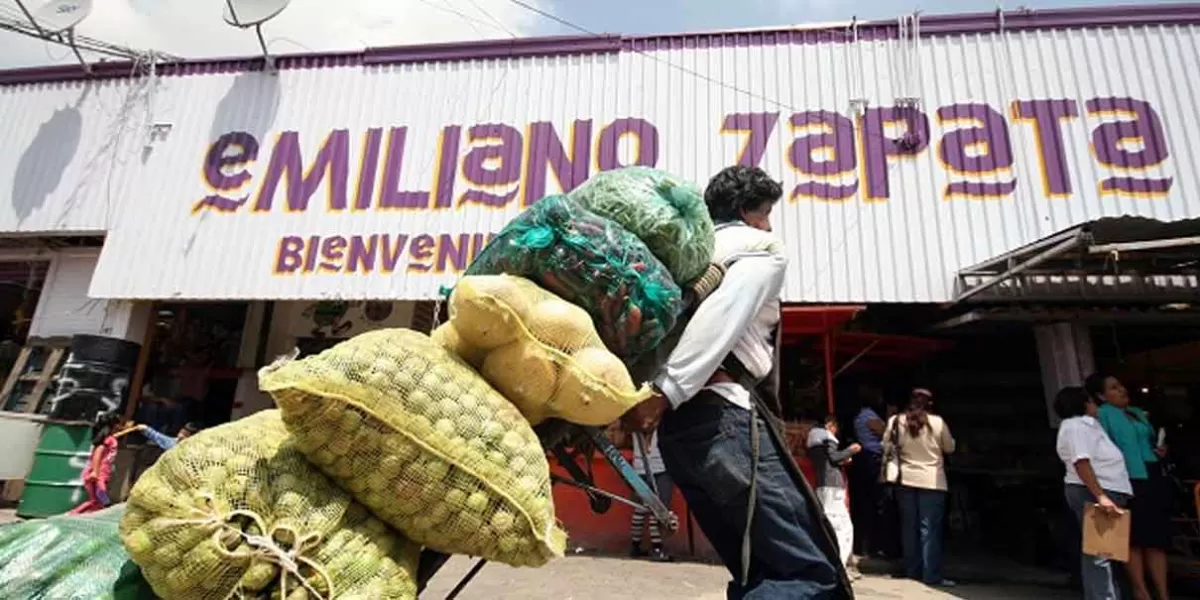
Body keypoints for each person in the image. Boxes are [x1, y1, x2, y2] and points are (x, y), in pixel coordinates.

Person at [624, 165, 849, 599]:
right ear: (747, 211)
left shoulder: (685, 256)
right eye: (765, 212)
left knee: (758, 570)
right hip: (725, 421)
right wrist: (664, 392)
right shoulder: (759, 248)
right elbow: (721, 318)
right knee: (807, 576)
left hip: (681, 438)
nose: (770, 223)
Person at [1088, 374, 1171, 600]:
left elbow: (1148, 441)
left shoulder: (1136, 412)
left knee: (1156, 538)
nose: (1122, 390)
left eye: (1121, 386)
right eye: (1114, 388)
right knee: (1132, 537)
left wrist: (1160, 450)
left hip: (1151, 473)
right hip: (1125, 478)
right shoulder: (1103, 414)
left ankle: (1163, 594)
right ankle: (1141, 591)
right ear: (1101, 396)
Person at [1054, 386, 1132, 600]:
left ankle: (1107, 594)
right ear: (1084, 403)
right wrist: (1101, 496)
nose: (1095, 405)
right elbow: (1081, 461)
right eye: (1092, 401)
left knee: (1102, 550)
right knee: (1099, 552)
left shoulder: (1085, 426)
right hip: (1094, 489)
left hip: (1101, 488)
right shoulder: (1077, 426)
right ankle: (1103, 596)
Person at [883, 388, 956, 587]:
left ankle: (911, 571)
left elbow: (886, 445)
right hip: (933, 480)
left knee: (909, 527)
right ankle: (930, 574)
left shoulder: (896, 421)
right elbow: (949, 447)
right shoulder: (938, 422)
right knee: (929, 529)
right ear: (930, 404)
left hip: (906, 479)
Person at [808, 414, 862, 576]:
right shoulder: (826, 438)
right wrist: (850, 450)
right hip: (832, 486)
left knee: (829, 522)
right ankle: (839, 564)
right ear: (830, 425)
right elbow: (834, 457)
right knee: (841, 526)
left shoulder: (813, 441)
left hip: (822, 484)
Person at [69, 412, 138, 515]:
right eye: (119, 424)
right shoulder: (107, 440)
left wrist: (130, 429)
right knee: (100, 499)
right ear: (114, 425)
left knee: (95, 502)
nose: (121, 426)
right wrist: (95, 472)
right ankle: (72, 515)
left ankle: (75, 515)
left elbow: (117, 435)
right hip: (98, 475)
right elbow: (98, 453)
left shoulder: (109, 438)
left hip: (101, 475)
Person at [850, 386, 888, 558]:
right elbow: (886, 433)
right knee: (874, 502)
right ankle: (873, 545)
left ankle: (865, 545)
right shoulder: (869, 416)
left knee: (865, 502)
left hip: (865, 458)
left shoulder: (860, 416)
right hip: (871, 459)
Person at [629, 430, 675, 562]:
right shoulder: (658, 419)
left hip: (638, 467)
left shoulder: (635, 420)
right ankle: (657, 548)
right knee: (657, 508)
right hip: (659, 468)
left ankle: (635, 546)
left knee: (640, 509)